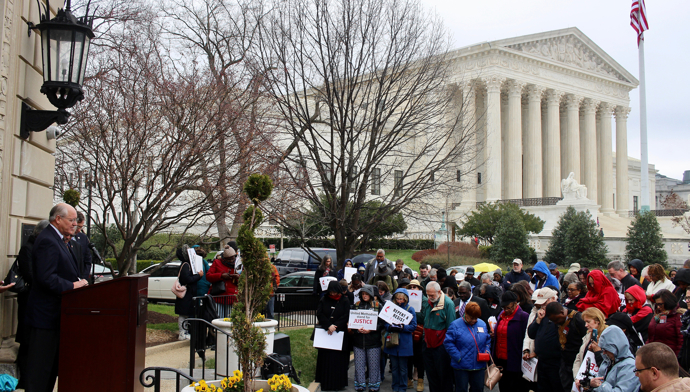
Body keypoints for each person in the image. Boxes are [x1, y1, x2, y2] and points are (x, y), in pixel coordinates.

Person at [23, 204, 88, 392]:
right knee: (40, 369)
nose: (75, 224)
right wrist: (73, 285)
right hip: (45, 316)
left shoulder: (59, 239)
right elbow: (46, 278)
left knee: (50, 369)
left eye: (76, 220)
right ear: (57, 219)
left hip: (55, 315)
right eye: (71, 220)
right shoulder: (47, 240)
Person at [15, 220, 49, 390]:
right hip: (28, 300)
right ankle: (24, 378)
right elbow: (30, 274)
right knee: (27, 341)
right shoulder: (27, 249)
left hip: (36, 302)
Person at [576, 326, 640, 392]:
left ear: (615, 347)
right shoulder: (608, 361)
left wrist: (600, 385)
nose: (603, 353)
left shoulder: (630, 366)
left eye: (606, 349)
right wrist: (588, 383)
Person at [444, 302, 491, 392]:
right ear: (466, 314)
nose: (474, 320)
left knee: (478, 389)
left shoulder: (482, 324)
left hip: (479, 365)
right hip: (461, 366)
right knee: (461, 389)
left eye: (476, 318)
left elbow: (487, 340)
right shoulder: (455, 325)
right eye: (472, 318)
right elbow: (448, 342)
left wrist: (487, 350)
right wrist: (458, 357)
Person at [420, 281, 456, 392]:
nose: (430, 297)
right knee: (431, 376)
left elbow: (451, 327)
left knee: (444, 376)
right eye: (428, 295)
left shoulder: (448, 304)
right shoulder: (427, 302)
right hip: (427, 344)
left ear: (439, 292)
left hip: (441, 346)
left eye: (432, 295)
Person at [315, 281, 351, 391]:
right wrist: (328, 325)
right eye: (331, 292)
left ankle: (338, 384)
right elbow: (320, 313)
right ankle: (325, 382)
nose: (333, 294)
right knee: (326, 359)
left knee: (338, 360)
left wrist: (336, 326)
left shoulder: (344, 300)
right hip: (327, 332)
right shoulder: (324, 299)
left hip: (339, 333)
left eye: (335, 292)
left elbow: (346, 315)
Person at [545, 302, 587, 392]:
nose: (555, 323)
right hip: (565, 363)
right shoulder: (558, 321)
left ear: (562, 312)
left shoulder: (578, 319)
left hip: (577, 363)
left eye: (556, 320)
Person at [527, 289, 564, 392]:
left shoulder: (561, 314)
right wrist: (537, 321)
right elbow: (531, 334)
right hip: (542, 360)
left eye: (544, 303)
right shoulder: (541, 314)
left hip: (556, 361)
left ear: (553, 299)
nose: (542, 306)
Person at [493, 291, 530, 392]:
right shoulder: (501, 315)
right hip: (501, 359)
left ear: (515, 303)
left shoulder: (523, 317)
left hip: (514, 360)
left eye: (509, 307)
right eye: (504, 308)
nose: (506, 310)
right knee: (503, 387)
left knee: (514, 387)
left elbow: (526, 337)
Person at [383, 288, 417, 392]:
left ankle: (402, 387)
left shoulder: (410, 309)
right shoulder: (391, 308)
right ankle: (395, 386)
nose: (399, 301)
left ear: (405, 299)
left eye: (401, 299)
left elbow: (413, 326)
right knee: (394, 367)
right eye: (397, 299)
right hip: (392, 341)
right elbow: (385, 322)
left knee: (403, 368)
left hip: (404, 343)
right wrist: (389, 327)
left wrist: (403, 327)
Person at [350, 285, 382, 392]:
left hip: (373, 341)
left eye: (367, 294)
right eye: (363, 294)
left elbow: (382, 323)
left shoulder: (378, 306)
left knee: (374, 365)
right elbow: (352, 322)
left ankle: (374, 385)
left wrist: (372, 330)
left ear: (371, 295)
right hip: (358, 341)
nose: (365, 296)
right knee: (359, 364)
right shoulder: (356, 306)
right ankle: (360, 384)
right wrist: (357, 330)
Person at [175, 246, 204, 340]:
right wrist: (198, 276)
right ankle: (182, 333)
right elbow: (187, 279)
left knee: (186, 313)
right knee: (183, 314)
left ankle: (185, 332)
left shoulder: (187, 264)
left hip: (189, 293)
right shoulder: (186, 265)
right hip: (186, 293)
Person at [572, 307, 607, 382]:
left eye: (588, 322)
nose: (585, 325)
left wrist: (597, 351)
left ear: (598, 321)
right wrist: (577, 378)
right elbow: (578, 359)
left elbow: (608, 363)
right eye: (585, 322)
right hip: (583, 380)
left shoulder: (607, 336)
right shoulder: (587, 336)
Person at [647, 289, 683, 356]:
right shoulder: (657, 315)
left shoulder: (677, 316)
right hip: (654, 355)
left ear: (668, 302)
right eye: (656, 304)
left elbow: (681, 340)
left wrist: (678, 358)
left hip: (669, 357)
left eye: (660, 304)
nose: (658, 307)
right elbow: (650, 337)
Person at [206, 247, 240, 317]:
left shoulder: (238, 264)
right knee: (219, 319)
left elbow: (245, 280)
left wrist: (238, 278)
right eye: (228, 259)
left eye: (232, 258)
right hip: (219, 297)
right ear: (224, 258)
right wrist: (221, 276)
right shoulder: (217, 262)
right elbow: (208, 276)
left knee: (231, 319)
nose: (231, 261)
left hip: (233, 298)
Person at [407, 280, 426, 392]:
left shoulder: (424, 301)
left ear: (419, 289)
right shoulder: (406, 299)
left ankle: (420, 380)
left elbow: (423, 316)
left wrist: (412, 314)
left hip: (419, 332)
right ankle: (409, 379)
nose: (413, 288)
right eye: (411, 287)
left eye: (415, 287)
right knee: (409, 356)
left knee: (419, 357)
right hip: (408, 332)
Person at [73, 211, 92, 280]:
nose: (79, 230)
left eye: (81, 227)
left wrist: (84, 279)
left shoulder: (83, 238)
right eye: (78, 227)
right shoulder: (64, 237)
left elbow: (88, 260)